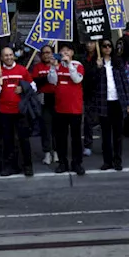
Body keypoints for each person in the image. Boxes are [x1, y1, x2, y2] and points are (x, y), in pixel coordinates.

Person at [87, 38, 129, 171]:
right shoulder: (96, 63)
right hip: (103, 103)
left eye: (109, 46)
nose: (107, 48)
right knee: (105, 135)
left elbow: (125, 83)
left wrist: (128, 102)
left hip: (117, 101)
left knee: (118, 135)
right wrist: (97, 68)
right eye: (104, 46)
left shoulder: (118, 63)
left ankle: (117, 160)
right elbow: (91, 82)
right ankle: (107, 161)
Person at [0, 46, 34, 176]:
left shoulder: (22, 70)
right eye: (6, 55)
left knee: (23, 139)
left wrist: (23, 88)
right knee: (7, 140)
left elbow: (33, 87)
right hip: (5, 111)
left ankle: (27, 166)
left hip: (20, 111)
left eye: (10, 55)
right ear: (2, 57)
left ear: (13, 56)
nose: (9, 57)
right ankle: (10, 166)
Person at [46, 43, 85, 174]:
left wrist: (69, 65)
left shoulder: (78, 65)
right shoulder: (56, 66)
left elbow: (77, 79)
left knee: (76, 138)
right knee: (61, 138)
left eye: (67, 51)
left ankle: (77, 163)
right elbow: (52, 81)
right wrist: (52, 66)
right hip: (60, 108)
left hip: (75, 108)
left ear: (72, 53)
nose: (65, 53)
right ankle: (63, 163)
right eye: (62, 51)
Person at [29, 45, 57, 165]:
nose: (46, 55)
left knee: (57, 127)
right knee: (45, 126)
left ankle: (56, 151)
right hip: (44, 98)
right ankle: (46, 152)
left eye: (49, 52)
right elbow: (35, 82)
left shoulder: (57, 65)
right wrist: (48, 78)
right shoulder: (37, 67)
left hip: (57, 98)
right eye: (44, 53)